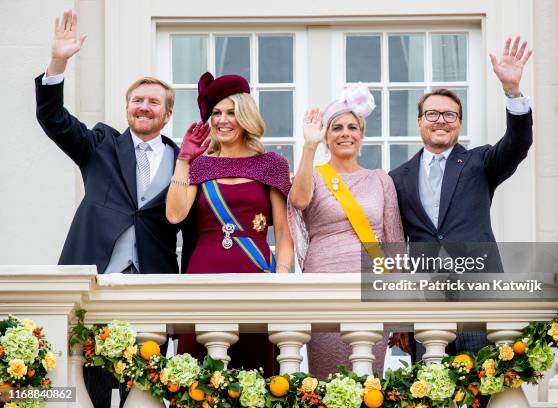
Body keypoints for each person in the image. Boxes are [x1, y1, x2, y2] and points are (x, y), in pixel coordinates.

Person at [35, 10, 196, 408]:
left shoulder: (183, 160)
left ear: (167, 113)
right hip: (93, 273)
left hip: (152, 280)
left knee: (143, 384)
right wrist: (59, 62)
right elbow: (52, 118)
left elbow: (188, 227)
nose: (144, 107)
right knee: (85, 379)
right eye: (137, 100)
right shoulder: (100, 144)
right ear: (127, 108)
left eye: (153, 102)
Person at [389, 37, 533, 362]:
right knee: (430, 389)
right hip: (426, 299)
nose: (441, 120)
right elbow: (394, 242)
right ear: (419, 122)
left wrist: (512, 91)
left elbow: (518, 142)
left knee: (481, 383)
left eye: (450, 115)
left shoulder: (480, 163)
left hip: (477, 291)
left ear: (460, 123)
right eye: (433, 114)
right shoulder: (397, 177)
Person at [166, 71, 293, 375]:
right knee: (199, 372)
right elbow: (174, 214)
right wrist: (183, 160)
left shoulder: (271, 164)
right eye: (216, 113)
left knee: (255, 372)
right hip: (204, 274)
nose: (222, 120)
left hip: (256, 275)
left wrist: (281, 280)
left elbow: (285, 235)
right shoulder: (200, 164)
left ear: (246, 115)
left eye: (231, 112)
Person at [288, 84, 404, 378]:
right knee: (327, 376)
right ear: (326, 136)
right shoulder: (313, 175)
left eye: (352, 127)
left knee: (368, 376)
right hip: (324, 282)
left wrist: (402, 310)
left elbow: (394, 244)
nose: (345, 133)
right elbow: (298, 200)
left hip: (372, 285)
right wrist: (309, 146)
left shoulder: (380, 180)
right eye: (336, 127)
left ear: (361, 135)